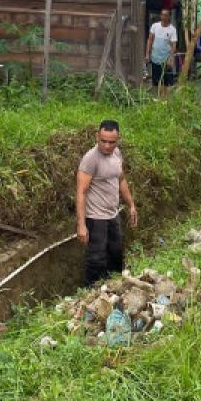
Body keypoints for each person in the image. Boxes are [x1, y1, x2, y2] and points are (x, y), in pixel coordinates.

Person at [76, 120, 139, 285]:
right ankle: (91, 293)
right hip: (95, 218)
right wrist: (81, 225)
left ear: (117, 140)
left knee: (116, 254)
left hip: (113, 214)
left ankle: (114, 288)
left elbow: (121, 180)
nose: (107, 146)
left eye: (111, 142)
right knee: (96, 258)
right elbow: (81, 192)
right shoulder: (90, 159)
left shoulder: (117, 154)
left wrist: (131, 205)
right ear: (97, 136)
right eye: (103, 141)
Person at [145, 9, 178, 95]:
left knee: (166, 81)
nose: (163, 17)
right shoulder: (155, 26)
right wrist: (147, 54)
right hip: (155, 57)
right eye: (162, 15)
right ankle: (157, 98)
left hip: (166, 59)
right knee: (156, 80)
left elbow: (174, 46)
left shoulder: (172, 29)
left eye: (165, 15)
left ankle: (165, 99)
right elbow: (150, 40)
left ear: (169, 17)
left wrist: (171, 58)